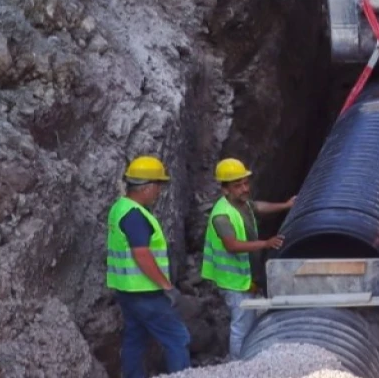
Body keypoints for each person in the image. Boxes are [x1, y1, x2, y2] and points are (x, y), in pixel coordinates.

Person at [201, 158, 295, 360]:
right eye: (238, 185)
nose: (245, 189)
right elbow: (232, 246)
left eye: (245, 183)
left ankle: (247, 359)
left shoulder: (241, 204)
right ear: (225, 190)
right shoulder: (222, 215)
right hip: (232, 280)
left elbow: (258, 207)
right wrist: (266, 243)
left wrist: (286, 205)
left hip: (244, 278)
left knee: (248, 321)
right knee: (241, 325)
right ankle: (238, 364)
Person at [105, 156, 191, 378]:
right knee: (177, 338)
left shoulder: (119, 208)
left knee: (135, 338)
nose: (159, 192)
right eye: (158, 185)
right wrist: (166, 286)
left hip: (126, 290)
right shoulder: (135, 215)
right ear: (147, 187)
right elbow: (141, 255)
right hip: (145, 292)